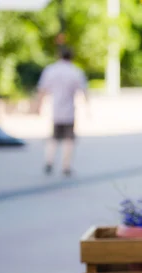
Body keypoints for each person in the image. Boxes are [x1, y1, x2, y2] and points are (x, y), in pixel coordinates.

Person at [36, 47, 88, 176]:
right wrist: (88, 108)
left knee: (53, 137)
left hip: (55, 110)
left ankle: (49, 160)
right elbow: (84, 91)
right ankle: (66, 166)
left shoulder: (51, 70)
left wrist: (38, 106)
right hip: (69, 111)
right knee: (68, 139)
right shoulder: (76, 71)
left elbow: (42, 89)